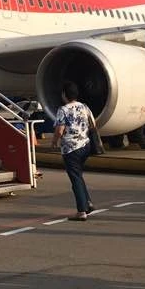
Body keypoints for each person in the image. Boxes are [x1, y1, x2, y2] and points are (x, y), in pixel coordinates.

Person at [49, 81, 96, 220]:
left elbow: (59, 130)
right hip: (85, 146)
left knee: (75, 179)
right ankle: (88, 202)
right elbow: (93, 123)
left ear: (64, 94)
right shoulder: (84, 106)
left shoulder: (63, 110)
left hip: (71, 149)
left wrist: (54, 142)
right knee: (78, 175)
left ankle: (81, 211)